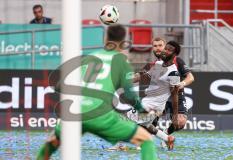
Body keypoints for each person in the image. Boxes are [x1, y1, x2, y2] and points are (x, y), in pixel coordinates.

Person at [37, 24, 157, 160]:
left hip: (74, 112)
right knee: (146, 139)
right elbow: (129, 95)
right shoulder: (121, 61)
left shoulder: (90, 57)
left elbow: (60, 85)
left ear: (106, 38)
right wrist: (142, 109)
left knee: (52, 142)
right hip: (100, 114)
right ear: (124, 42)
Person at [131, 40, 181, 150]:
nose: (165, 51)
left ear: (175, 54)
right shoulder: (158, 64)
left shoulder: (174, 73)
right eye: (166, 48)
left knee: (127, 120)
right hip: (147, 101)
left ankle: (122, 144)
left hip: (154, 105)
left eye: (169, 50)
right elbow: (145, 76)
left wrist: (175, 115)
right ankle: (168, 138)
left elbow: (175, 94)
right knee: (146, 125)